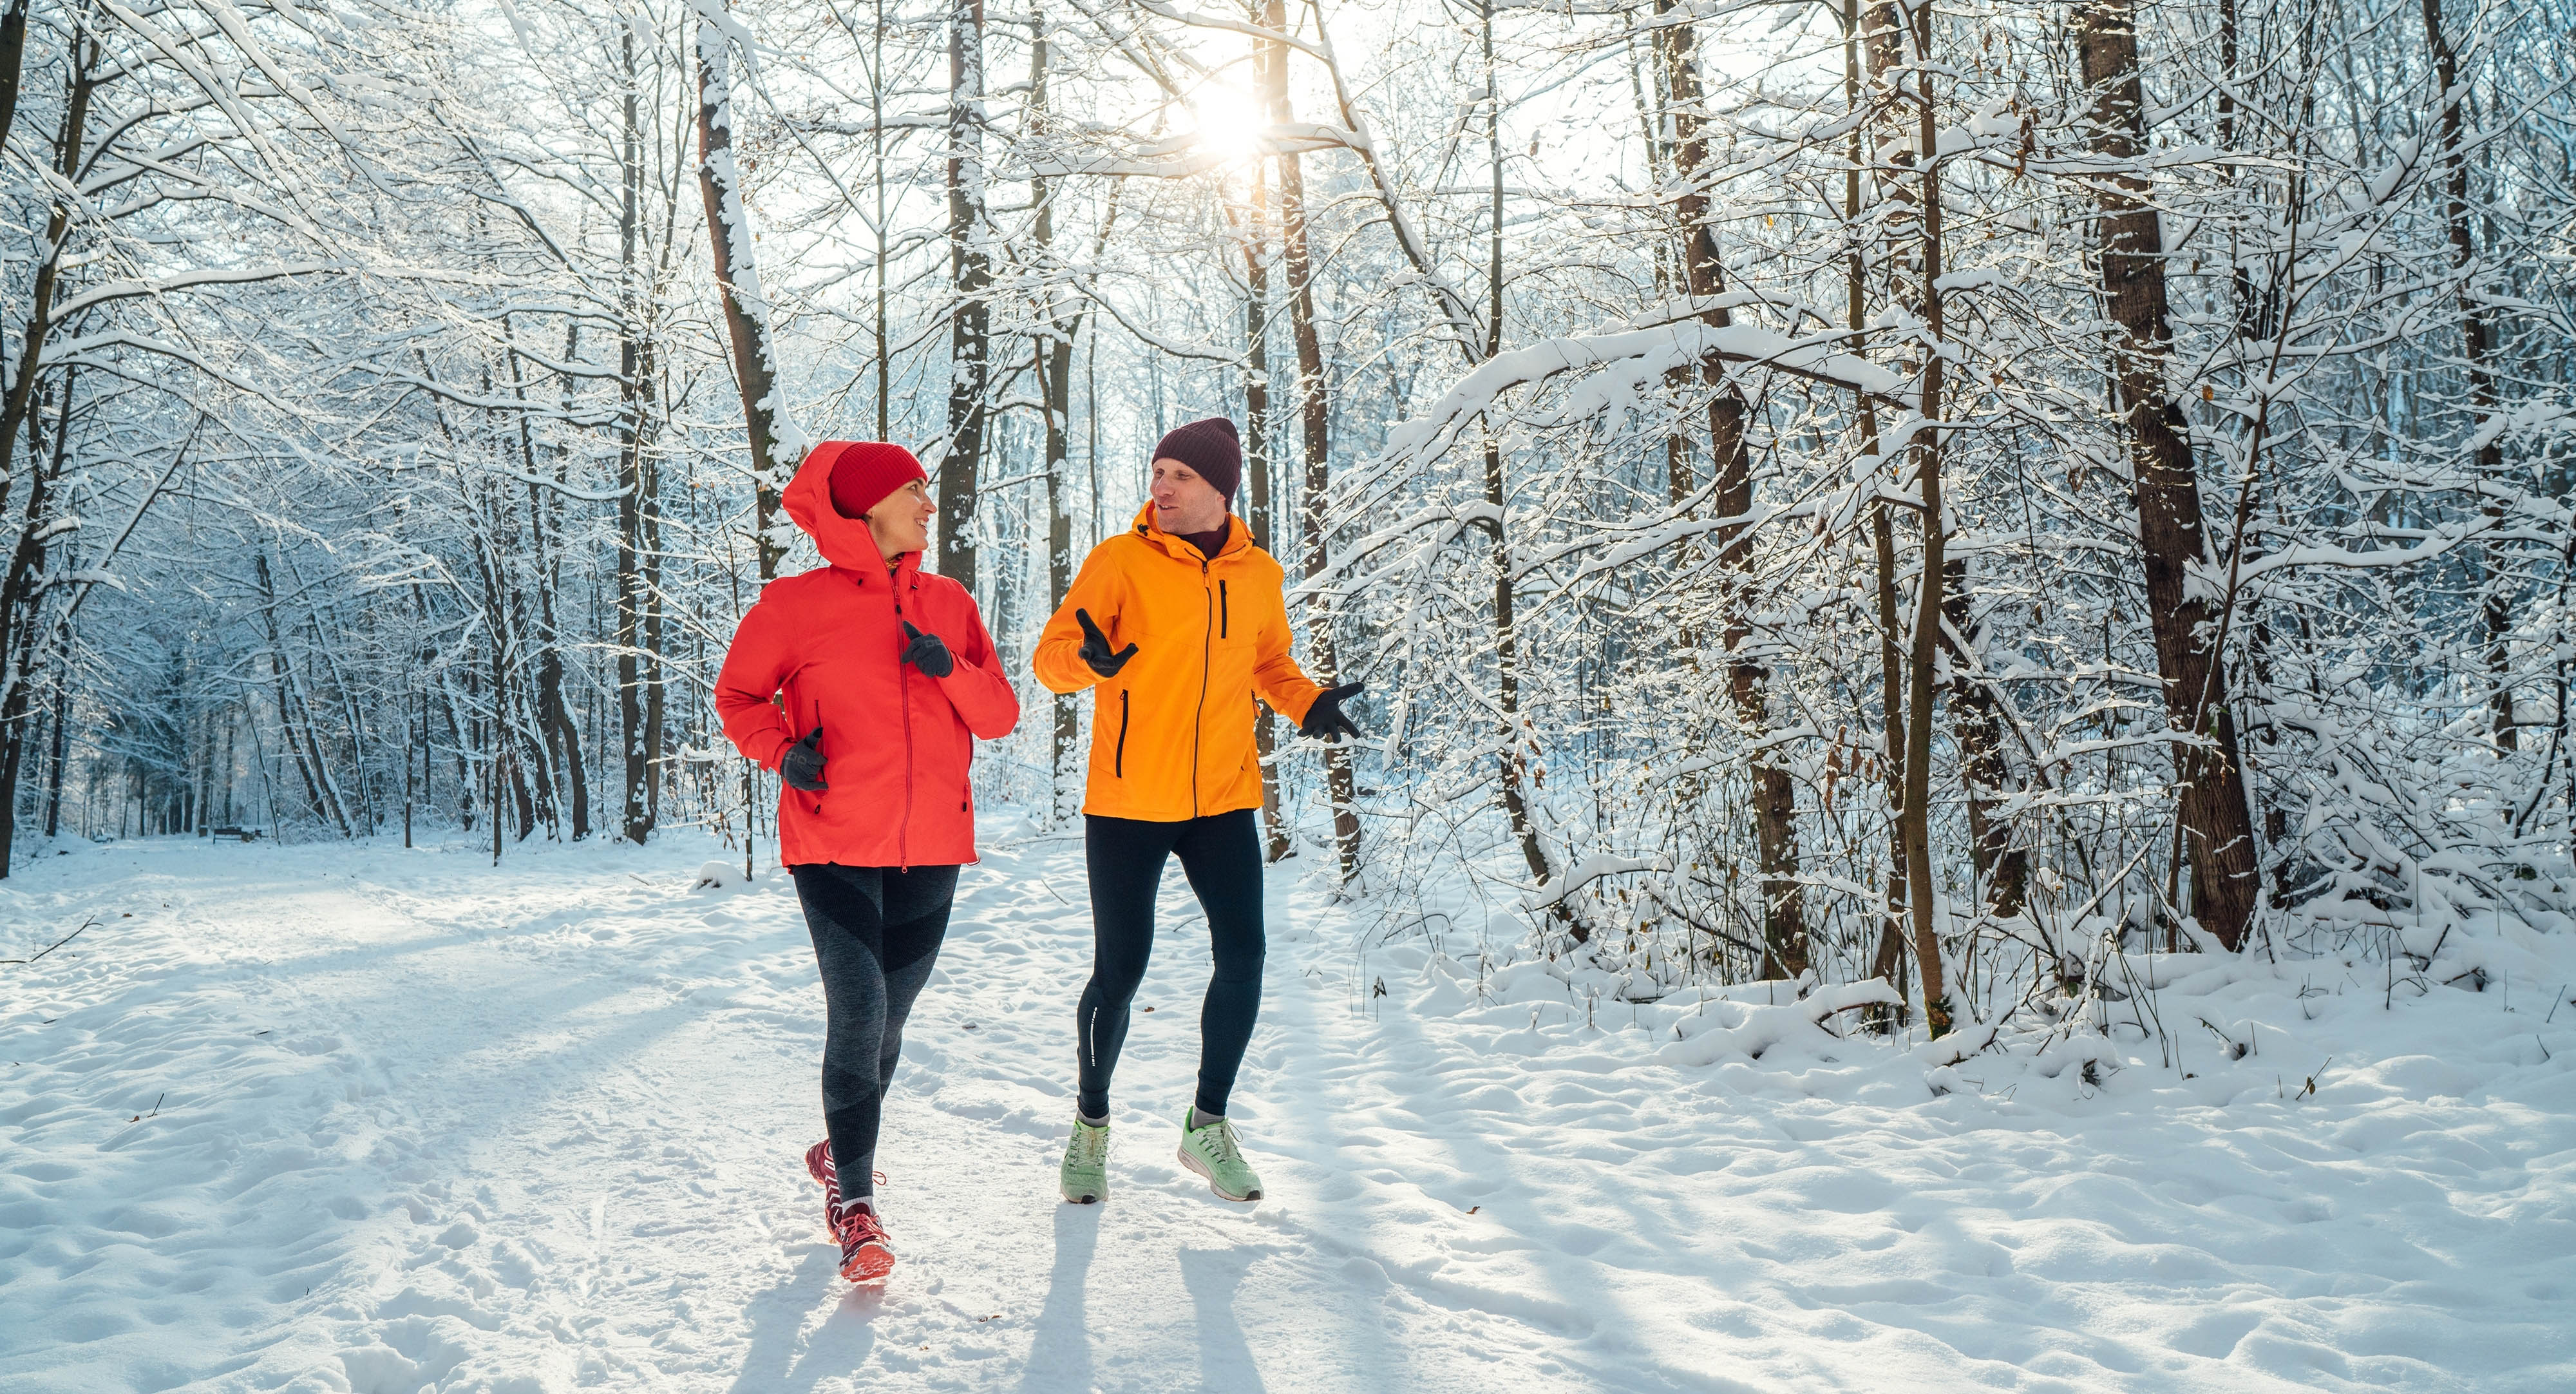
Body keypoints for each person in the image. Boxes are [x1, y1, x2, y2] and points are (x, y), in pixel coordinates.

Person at [1034, 416, 1364, 1205]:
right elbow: (1051, 661)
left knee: (1244, 956)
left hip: (1220, 797)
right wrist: (1087, 659)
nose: (1161, 487)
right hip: (1127, 802)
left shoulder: (1260, 574)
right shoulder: (1119, 562)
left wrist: (1305, 703)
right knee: (1120, 971)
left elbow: (1268, 661)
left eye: (1178, 475)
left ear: (1220, 490)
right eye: (1156, 473)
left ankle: (1206, 1124)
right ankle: (1090, 1126)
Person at [714, 440, 1019, 1283]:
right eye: (915, 492)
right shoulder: (794, 606)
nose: (929, 506)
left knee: (891, 1016)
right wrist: (783, 753)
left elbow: (999, 715)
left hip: (931, 846)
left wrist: (947, 666)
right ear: (869, 506)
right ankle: (855, 1206)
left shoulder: (948, 602)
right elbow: (738, 697)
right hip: (833, 837)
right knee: (859, 1004)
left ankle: (839, 1144)